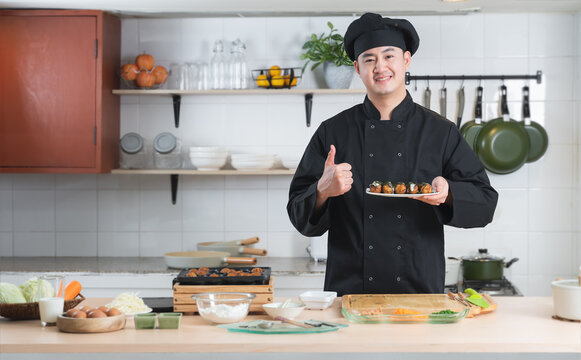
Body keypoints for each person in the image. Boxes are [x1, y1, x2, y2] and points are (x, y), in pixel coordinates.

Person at [287, 13, 498, 296]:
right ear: (357, 68)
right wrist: (322, 191)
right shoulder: (332, 132)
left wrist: (448, 194)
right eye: (369, 59)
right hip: (351, 294)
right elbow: (298, 216)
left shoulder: (440, 132)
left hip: (419, 294)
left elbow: (486, 203)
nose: (380, 67)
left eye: (389, 56)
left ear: (406, 60)